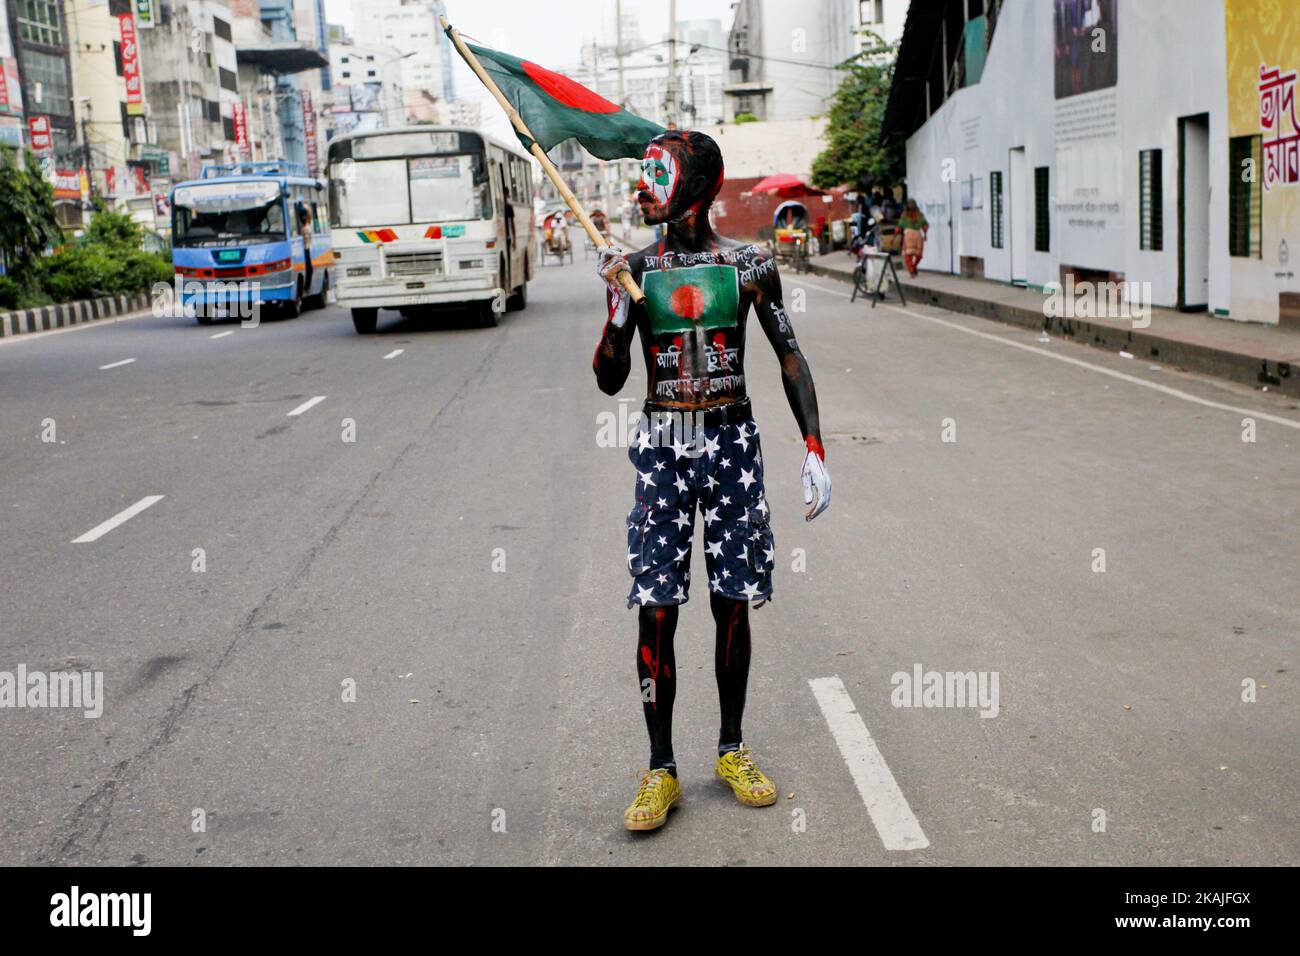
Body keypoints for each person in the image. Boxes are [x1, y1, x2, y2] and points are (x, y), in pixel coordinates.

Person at [593, 129, 832, 832]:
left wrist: (814, 443)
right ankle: (660, 768)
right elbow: (610, 379)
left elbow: (789, 355)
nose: (643, 185)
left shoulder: (750, 267)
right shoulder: (635, 269)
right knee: (656, 606)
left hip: (731, 438)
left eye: (657, 172)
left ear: (695, 184)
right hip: (664, 441)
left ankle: (731, 747)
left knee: (733, 599)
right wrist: (616, 313)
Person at [899, 198, 928, 277]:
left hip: (913, 235)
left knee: (914, 255)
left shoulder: (916, 214)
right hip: (913, 235)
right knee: (913, 254)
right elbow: (900, 226)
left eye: (912, 204)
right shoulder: (909, 214)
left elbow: (924, 224)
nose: (911, 205)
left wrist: (925, 234)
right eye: (910, 204)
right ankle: (912, 269)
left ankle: (913, 268)